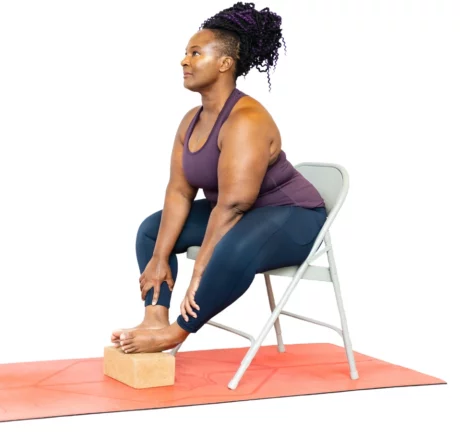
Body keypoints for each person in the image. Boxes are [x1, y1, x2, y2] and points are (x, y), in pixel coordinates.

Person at [112, 2, 328, 354]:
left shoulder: (246, 120)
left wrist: (199, 271)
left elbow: (231, 206)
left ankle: (177, 333)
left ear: (225, 63)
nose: (184, 61)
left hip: (294, 217)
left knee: (231, 248)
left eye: (195, 53)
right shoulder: (190, 121)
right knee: (152, 231)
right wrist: (158, 258)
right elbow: (179, 192)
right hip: (241, 214)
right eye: (185, 53)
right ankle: (155, 319)